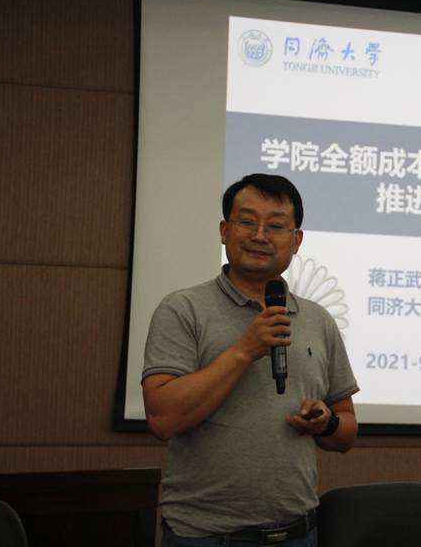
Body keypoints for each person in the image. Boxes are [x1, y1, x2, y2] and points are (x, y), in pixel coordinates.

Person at [142, 173, 359, 547]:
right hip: (207, 536)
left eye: (275, 226)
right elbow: (162, 418)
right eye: (247, 222)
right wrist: (244, 351)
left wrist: (327, 422)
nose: (260, 235)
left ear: (296, 241)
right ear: (224, 231)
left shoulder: (317, 320)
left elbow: (347, 431)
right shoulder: (183, 309)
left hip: (298, 532)